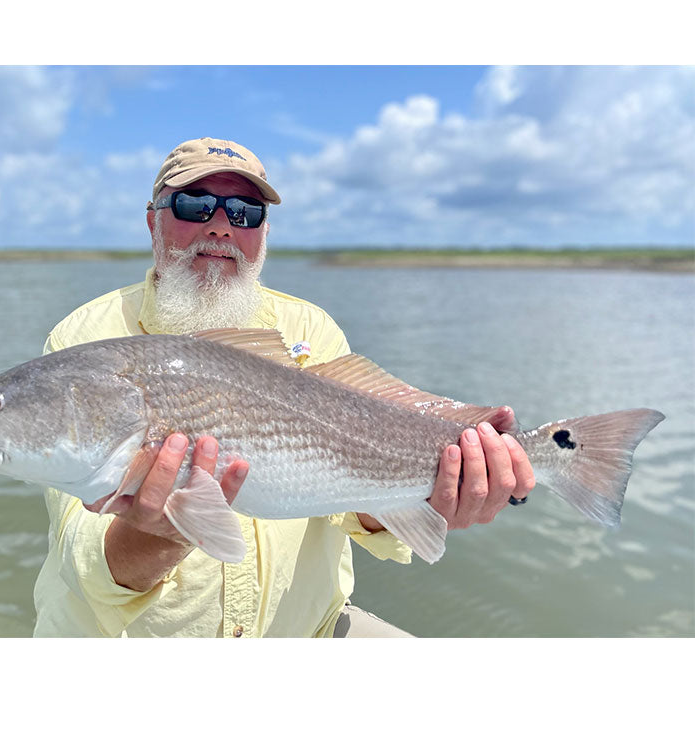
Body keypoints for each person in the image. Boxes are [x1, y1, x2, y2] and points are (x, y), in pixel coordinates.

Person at [32, 137, 535, 638]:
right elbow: (88, 569)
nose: (221, 225)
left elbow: (350, 495)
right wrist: (161, 536)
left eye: (246, 212)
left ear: (263, 231)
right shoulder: (84, 340)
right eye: (194, 204)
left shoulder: (311, 330)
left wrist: (435, 489)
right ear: (152, 219)